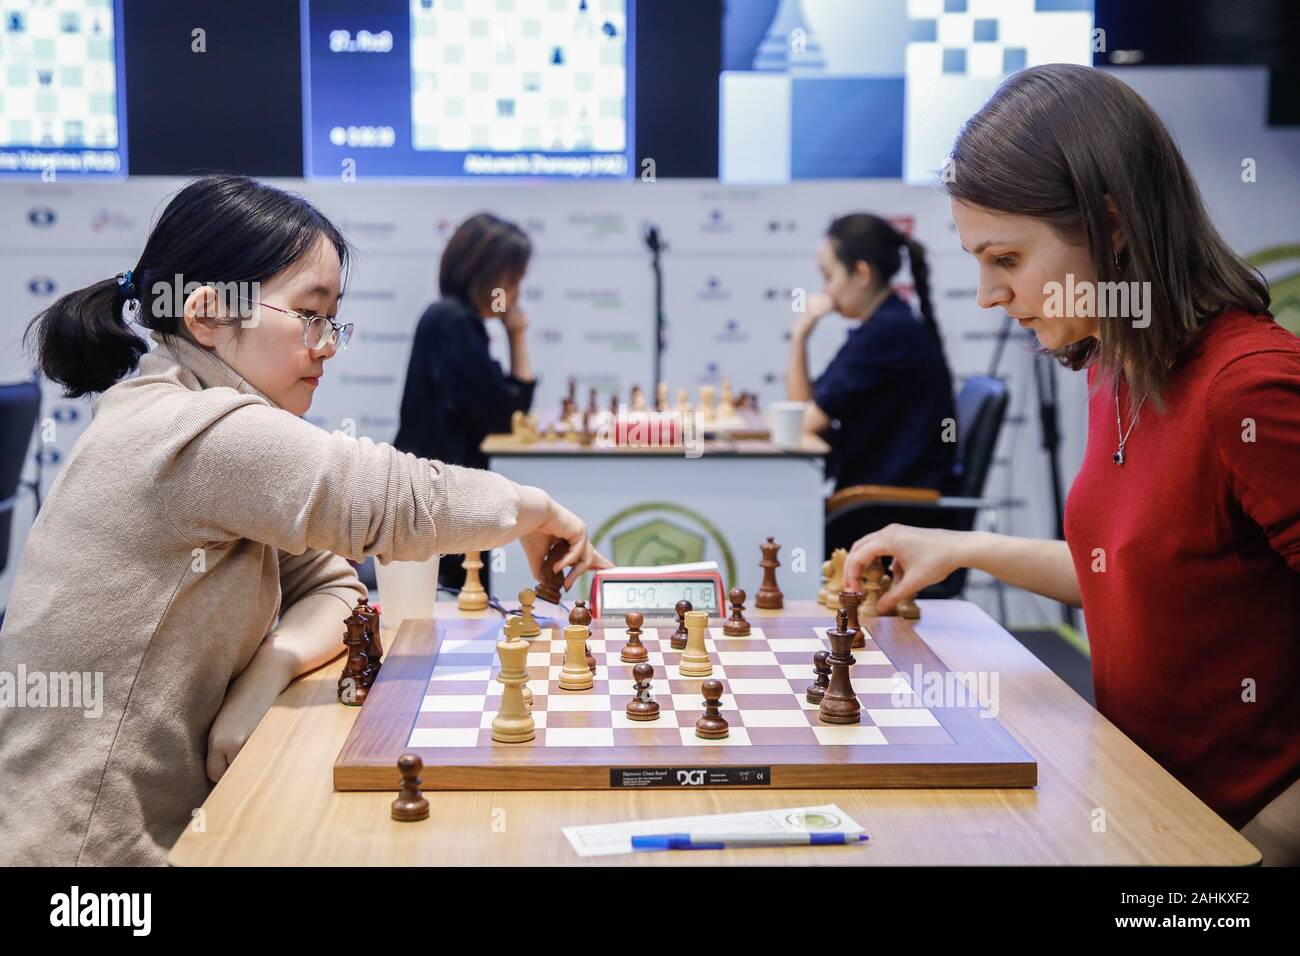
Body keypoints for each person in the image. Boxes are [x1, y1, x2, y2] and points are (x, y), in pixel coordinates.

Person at [0, 176, 609, 865]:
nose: (328, 345)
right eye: (310, 315)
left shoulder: (192, 411)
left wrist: (273, 667)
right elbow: (391, 501)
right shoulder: (194, 431)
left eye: (333, 320)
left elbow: (335, 586)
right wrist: (534, 510)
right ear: (205, 315)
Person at [842, 65, 1300, 865]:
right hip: (1136, 797)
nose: (988, 294)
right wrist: (960, 547)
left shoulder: (1250, 387)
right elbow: (1149, 572)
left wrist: (1263, 845)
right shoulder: (1114, 367)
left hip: (1227, 841)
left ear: (1112, 224)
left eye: (1008, 259)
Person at [394, 212, 538, 592]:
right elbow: (506, 420)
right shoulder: (455, 323)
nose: (515, 294)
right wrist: (518, 335)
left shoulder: (451, 319)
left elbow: (504, 412)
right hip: (443, 502)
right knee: (465, 611)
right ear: (487, 274)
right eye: (513, 281)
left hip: (437, 493)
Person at [785, 213, 956, 493]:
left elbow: (805, 422)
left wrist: (799, 334)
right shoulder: (881, 327)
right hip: (875, 502)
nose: (825, 290)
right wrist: (799, 337)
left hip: (887, 511)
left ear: (862, 274)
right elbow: (804, 411)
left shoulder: (886, 334)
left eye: (829, 276)